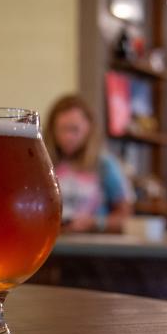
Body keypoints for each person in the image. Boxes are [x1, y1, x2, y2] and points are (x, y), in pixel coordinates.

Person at [44, 94, 133, 233]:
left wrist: (95, 223)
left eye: (74, 129)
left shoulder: (105, 165)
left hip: (93, 248)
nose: (68, 137)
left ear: (89, 129)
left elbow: (125, 216)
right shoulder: (44, 165)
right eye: (62, 129)